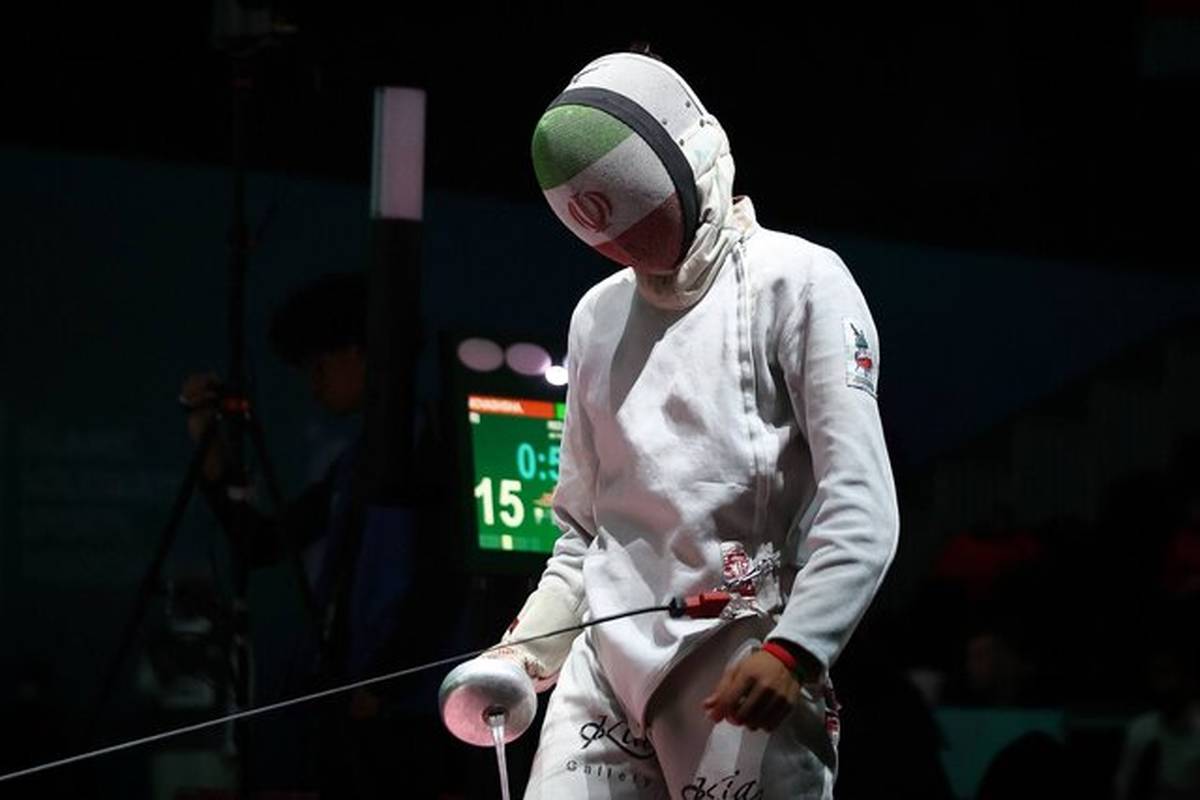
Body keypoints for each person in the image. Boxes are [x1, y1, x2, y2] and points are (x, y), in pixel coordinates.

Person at [482, 51, 900, 799]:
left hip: (743, 654)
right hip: (606, 664)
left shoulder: (799, 281)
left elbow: (861, 503)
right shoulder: (598, 316)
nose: (629, 245)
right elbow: (584, 532)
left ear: (691, 155)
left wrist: (797, 649)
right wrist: (526, 652)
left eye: (640, 211)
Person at [180, 271, 434, 798]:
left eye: (318, 366)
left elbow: (443, 575)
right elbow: (264, 543)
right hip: (350, 707)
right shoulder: (354, 465)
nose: (312, 385)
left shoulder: (429, 442)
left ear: (359, 354)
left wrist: (386, 682)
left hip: (404, 719)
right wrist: (211, 453)